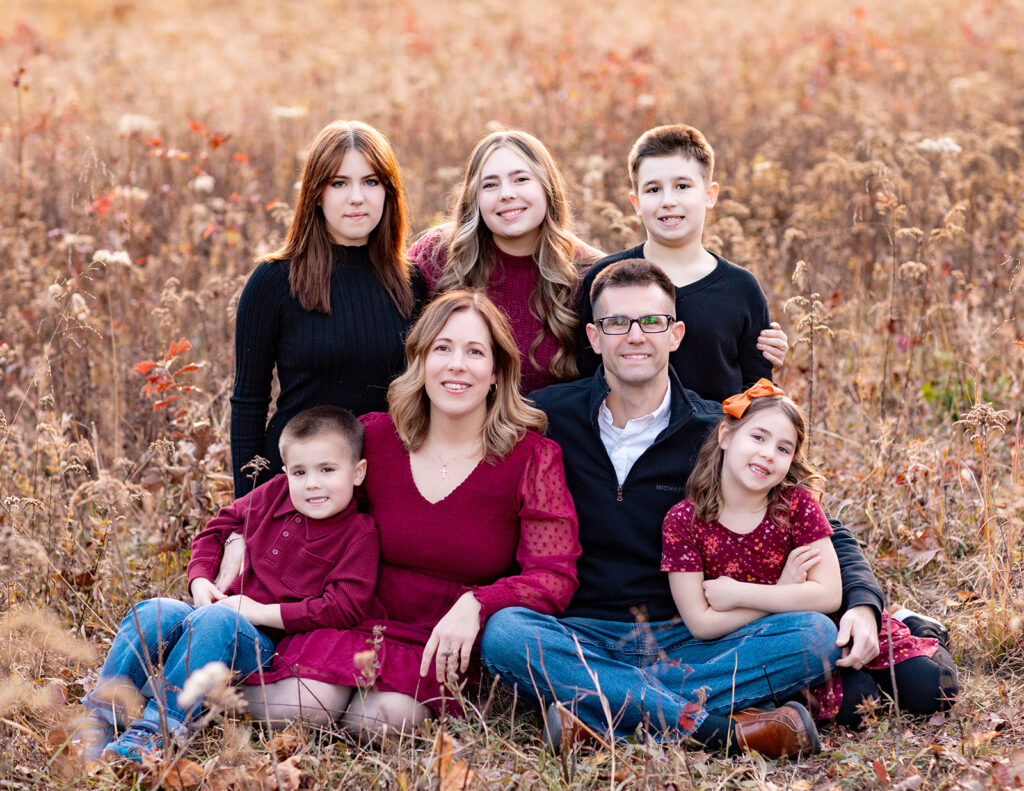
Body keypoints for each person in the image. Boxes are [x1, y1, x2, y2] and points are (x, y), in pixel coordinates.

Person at [481, 259, 885, 759]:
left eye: (651, 322)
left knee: (812, 636)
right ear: (593, 336)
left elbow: (811, 515)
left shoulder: (714, 430)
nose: (635, 336)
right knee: (504, 634)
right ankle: (717, 730)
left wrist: (863, 603)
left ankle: (599, 715)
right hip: (578, 632)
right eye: (616, 323)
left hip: (690, 637)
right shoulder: (546, 417)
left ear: (675, 334)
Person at [226, 290, 580, 735]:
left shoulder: (531, 458)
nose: (456, 364)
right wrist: (236, 536)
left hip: (441, 637)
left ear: (496, 372)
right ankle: (191, 690)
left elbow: (553, 577)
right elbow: (280, 497)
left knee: (381, 721)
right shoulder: (374, 437)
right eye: (442, 348)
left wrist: (478, 602)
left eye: (474, 352)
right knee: (304, 707)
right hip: (355, 616)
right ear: (420, 361)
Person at [80, 406, 378, 762]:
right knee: (153, 610)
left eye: (327, 470)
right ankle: (101, 716)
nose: (312, 483)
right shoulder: (275, 494)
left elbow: (344, 606)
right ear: (285, 473)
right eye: (299, 472)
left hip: (263, 643)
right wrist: (201, 580)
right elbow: (216, 528)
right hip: (215, 612)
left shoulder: (360, 534)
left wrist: (261, 611)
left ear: (357, 472)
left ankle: (156, 733)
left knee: (218, 621)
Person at [663, 382, 958, 727]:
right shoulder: (683, 521)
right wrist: (785, 592)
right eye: (758, 437)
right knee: (864, 709)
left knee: (934, 690)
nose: (769, 454)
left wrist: (739, 593)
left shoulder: (796, 505)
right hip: (783, 642)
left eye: (783, 448)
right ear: (726, 436)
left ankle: (919, 628)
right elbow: (701, 623)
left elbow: (829, 594)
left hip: (834, 625)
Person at [231, 120, 426, 496]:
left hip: (386, 486)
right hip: (299, 488)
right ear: (316, 194)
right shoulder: (274, 281)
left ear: (389, 191)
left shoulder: (412, 282)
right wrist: (246, 512)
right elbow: (248, 403)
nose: (357, 197)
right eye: (339, 183)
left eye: (371, 182)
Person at [577, 124, 788, 401]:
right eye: (653, 190)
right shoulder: (608, 279)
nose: (668, 201)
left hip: (713, 441)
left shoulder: (741, 289)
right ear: (636, 202)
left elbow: (757, 393)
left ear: (710, 195)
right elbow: (585, 376)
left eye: (682, 186)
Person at [408, 130, 601, 393]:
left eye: (520, 179)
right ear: (474, 197)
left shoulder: (588, 273)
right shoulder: (438, 254)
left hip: (549, 431)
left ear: (547, 187)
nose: (506, 194)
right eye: (490, 185)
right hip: (447, 427)